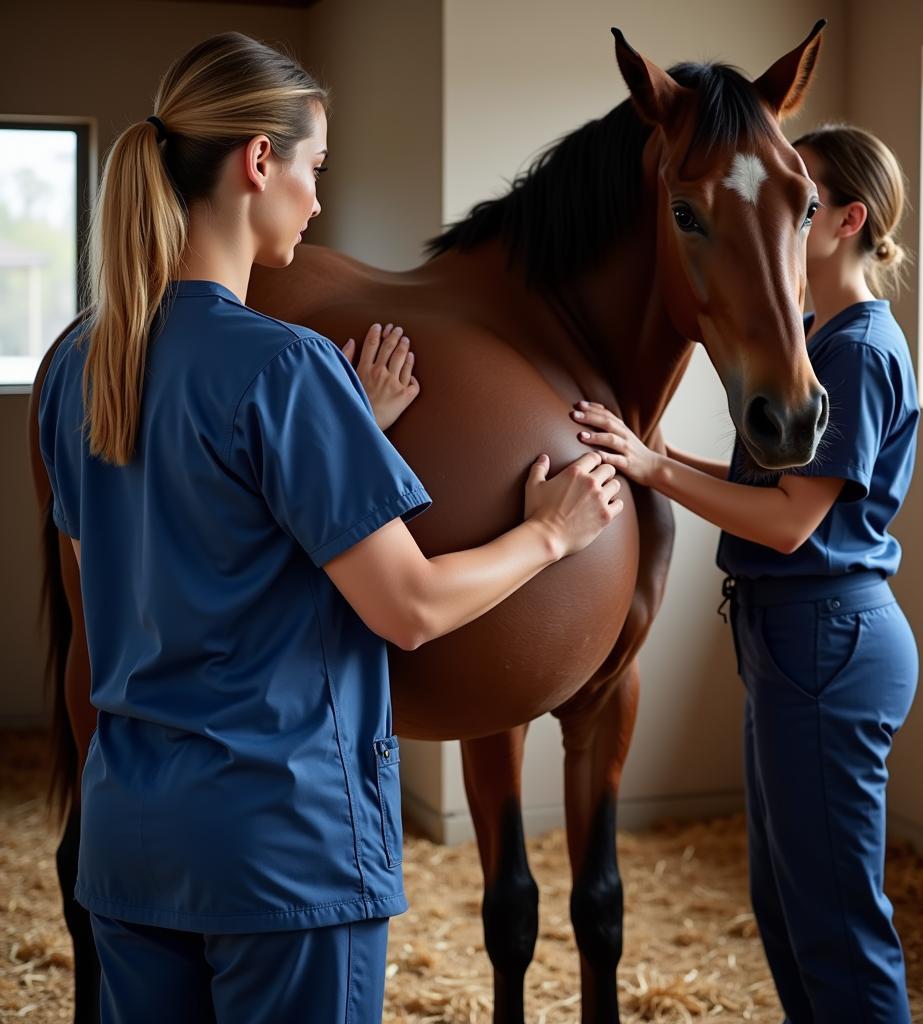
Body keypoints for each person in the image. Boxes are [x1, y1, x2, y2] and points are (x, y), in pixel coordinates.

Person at [37, 32, 623, 1024]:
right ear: (256, 163)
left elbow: (150, 569)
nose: (316, 199)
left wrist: (343, 436)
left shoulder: (82, 368)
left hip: (130, 849)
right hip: (282, 859)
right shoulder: (287, 371)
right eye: (312, 168)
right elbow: (411, 608)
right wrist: (551, 535)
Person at [572, 123, 918, 1023]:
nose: (771, 225)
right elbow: (774, 484)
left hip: (829, 639)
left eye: (797, 207)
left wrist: (656, 474)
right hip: (792, 638)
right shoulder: (813, 335)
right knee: (787, 910)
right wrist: (661, 452)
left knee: (838, 927)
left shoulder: (854, 352)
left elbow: (792, 523)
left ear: (847, 221)